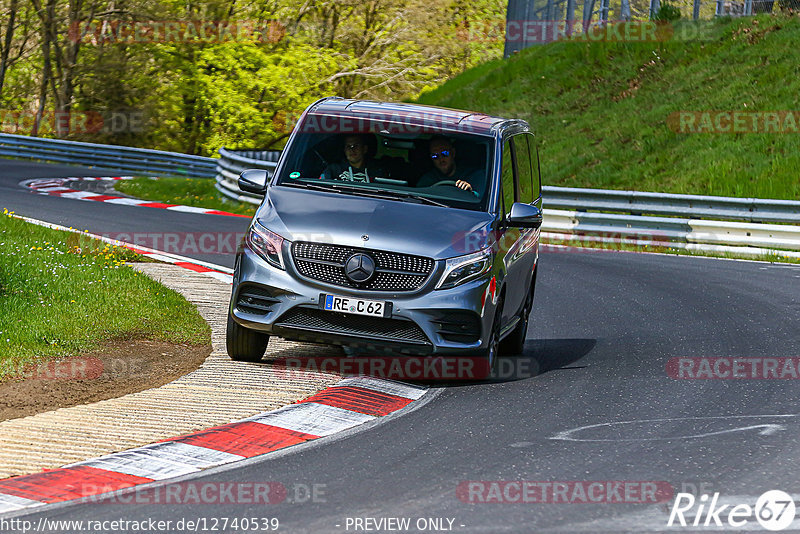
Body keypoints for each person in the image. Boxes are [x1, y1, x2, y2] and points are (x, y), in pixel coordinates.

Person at [417, 136, 485, 196]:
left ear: (453, 153)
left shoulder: (473, 176)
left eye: (445, 153)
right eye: (435, 156)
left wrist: (470, 192)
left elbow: (482, 201)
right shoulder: (426, 181)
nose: (441, 159)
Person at [321, 134, 386, 183]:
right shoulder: (334, 170)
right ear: (344, 150)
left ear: (364, 149)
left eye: (356, 146)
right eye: (348, 146)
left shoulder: (377, 171)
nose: (352, 150)